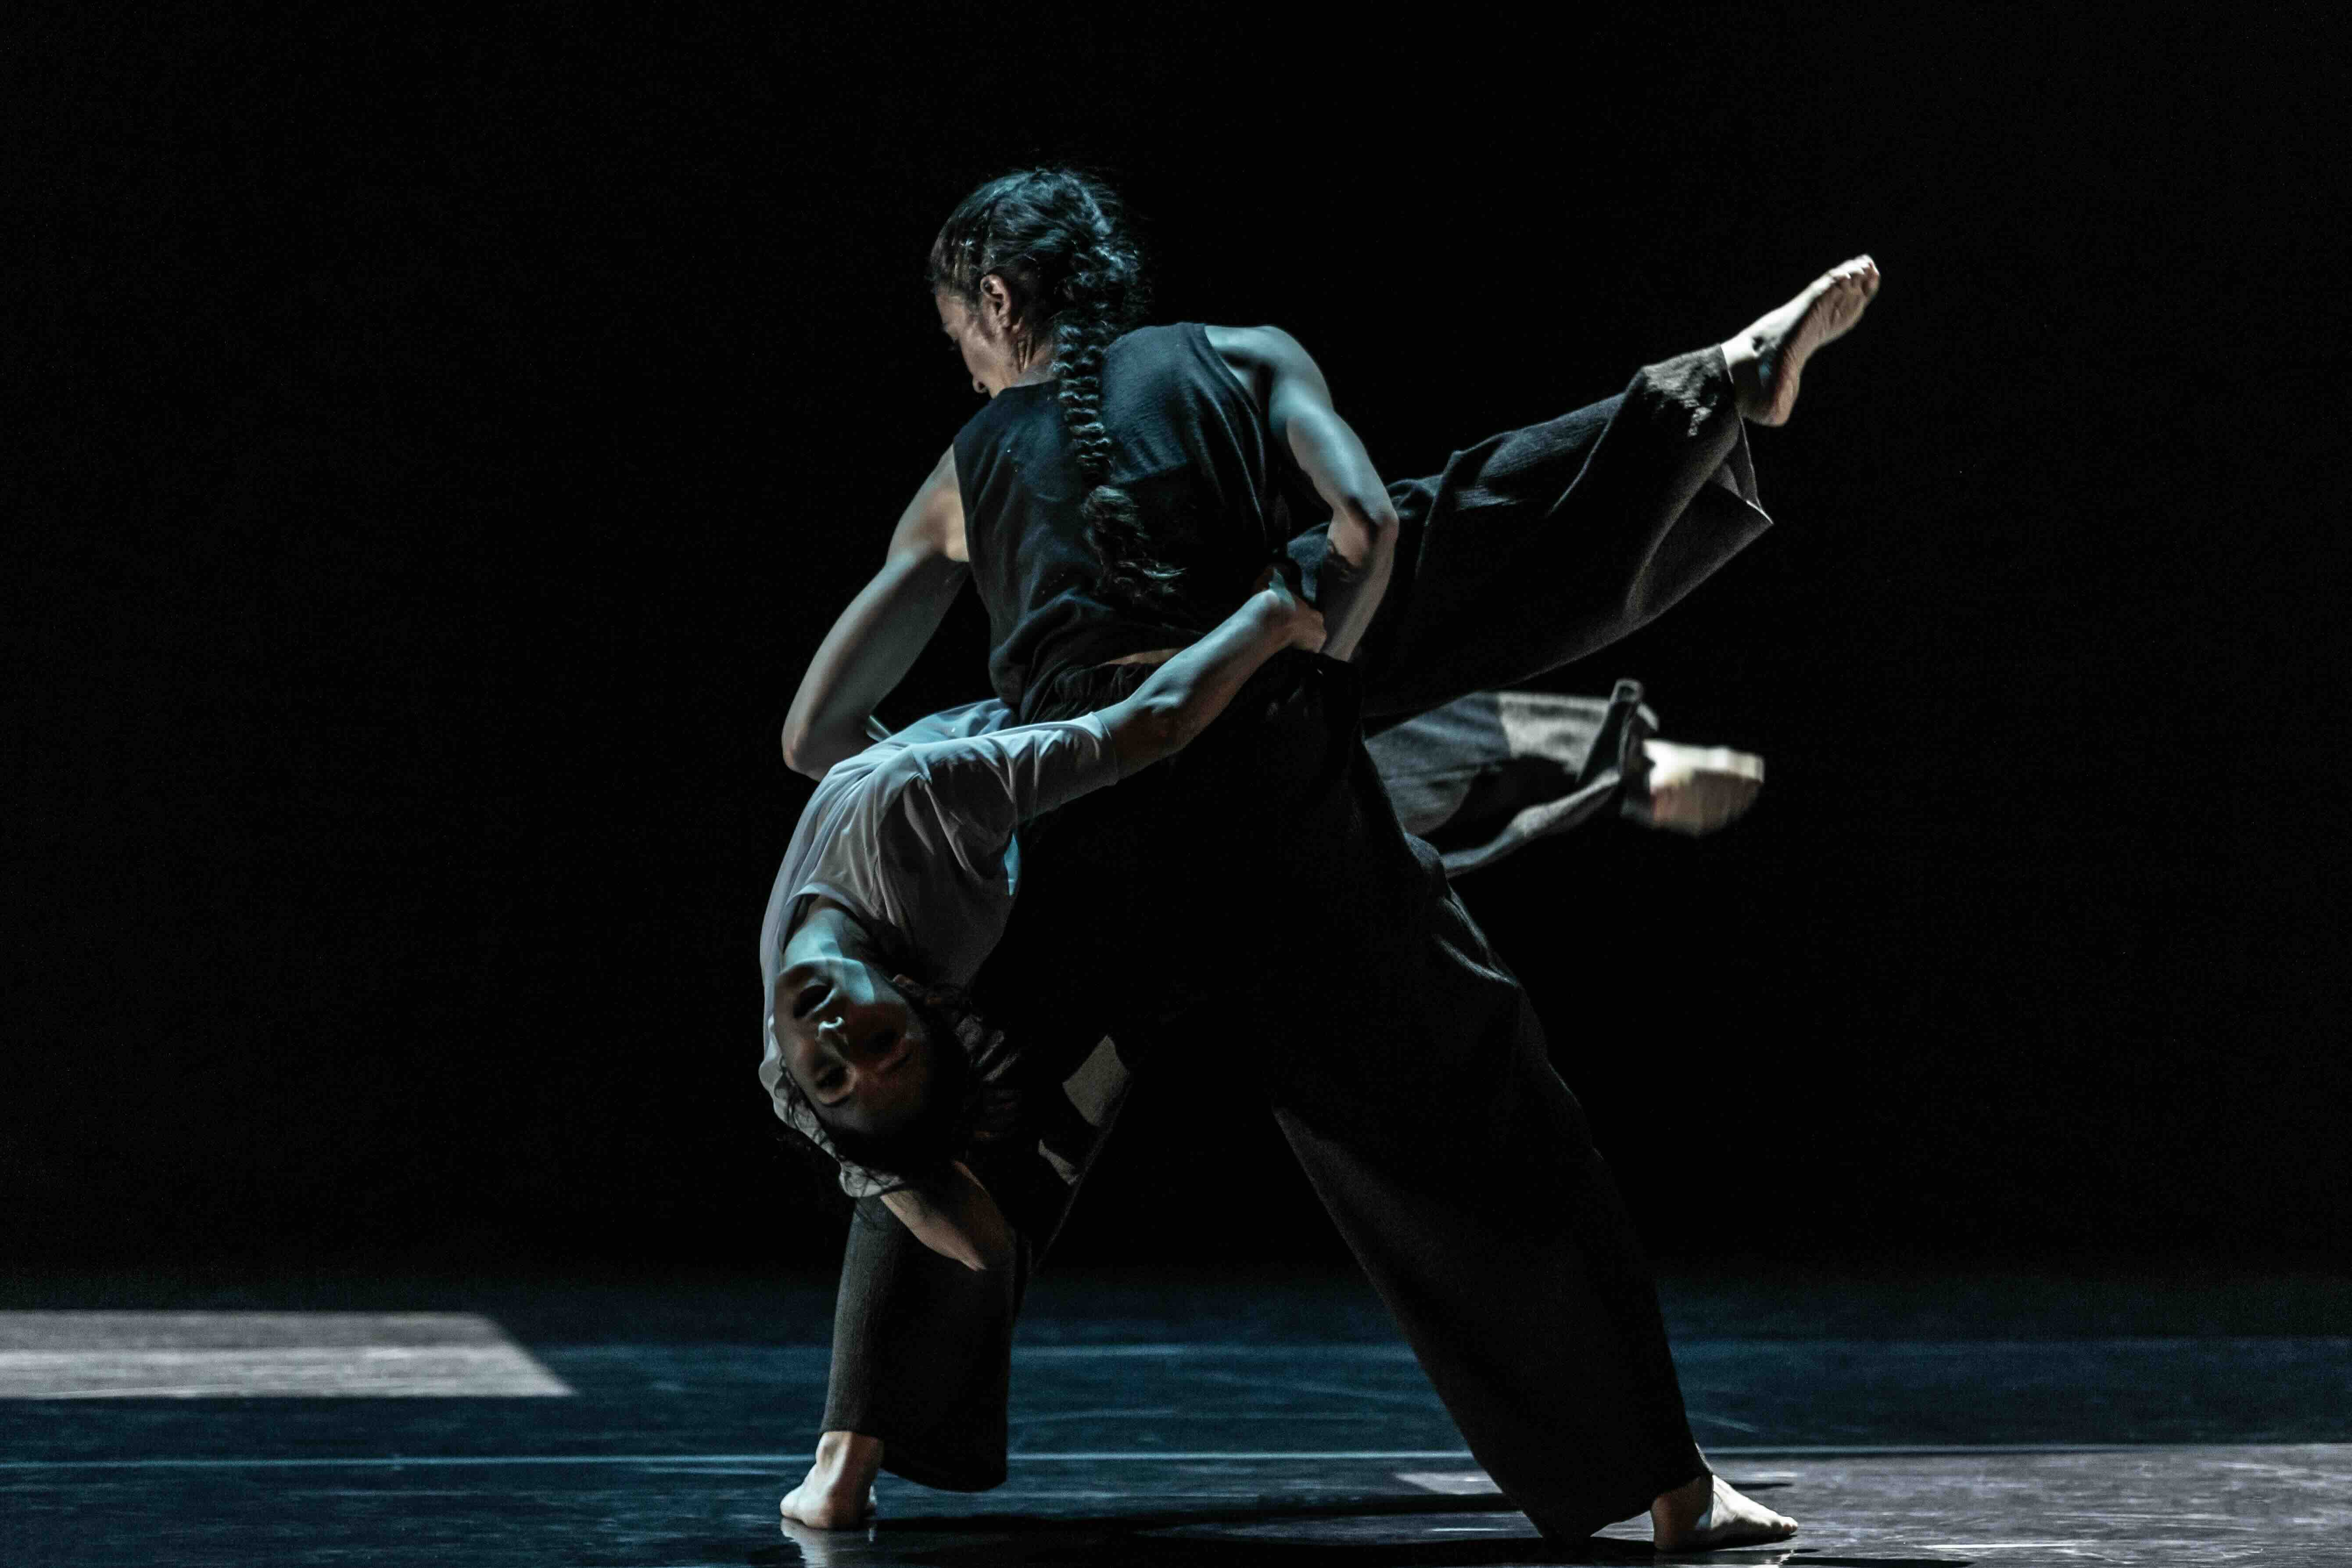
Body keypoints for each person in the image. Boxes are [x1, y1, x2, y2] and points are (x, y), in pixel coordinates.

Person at [774, 165, 1876, 1550]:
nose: (969, 365)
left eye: (962, 339)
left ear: (996, 303)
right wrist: (1315, 671)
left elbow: (818, 734)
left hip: (1093, 818)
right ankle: (1672, 1491)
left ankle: (847, 1467)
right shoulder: (1246, 358)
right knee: (1482, 1115)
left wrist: (972, 785)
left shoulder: (965, 468)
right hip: (1277, 777)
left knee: (942, 1100)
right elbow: (1375, 529)